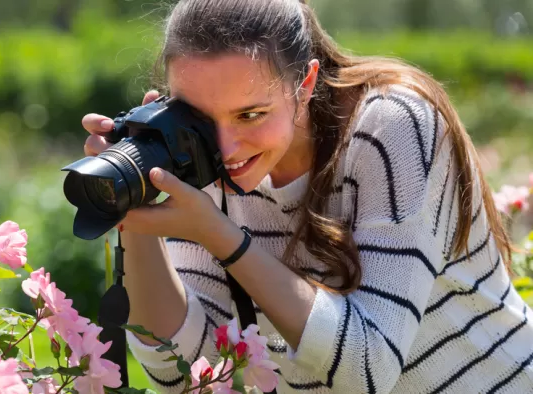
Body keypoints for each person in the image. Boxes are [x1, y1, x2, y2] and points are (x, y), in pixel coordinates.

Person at [81, 0, 533, 392]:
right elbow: (186, 373)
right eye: (197, 117)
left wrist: (219, 236)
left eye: (251, 114)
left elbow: (368, 370)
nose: (225, 148)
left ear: (307, 81)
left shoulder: (391, 126)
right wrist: (134, 207)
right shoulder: (192, 158)